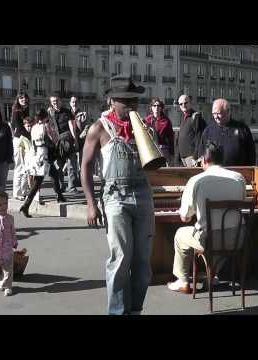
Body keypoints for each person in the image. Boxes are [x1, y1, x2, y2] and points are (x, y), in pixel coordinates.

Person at [81, 74, 155, 315]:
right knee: (121, 259)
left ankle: (135, 310)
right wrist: (91, 204)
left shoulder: (141, 127)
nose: (133, 106)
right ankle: (117, 312)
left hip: (143, 194)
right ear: (112, 101)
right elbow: (86, 166)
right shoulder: (98, 129)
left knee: (143, 263)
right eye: (127, 102)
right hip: (115, 196)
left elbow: (155, 164)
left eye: (135, 102)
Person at [167, 141, 247, 293]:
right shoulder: (239, 178)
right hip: (237, 238)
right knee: (222, 236)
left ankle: (183, 280)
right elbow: (241, 202)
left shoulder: (196, 181)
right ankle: (212, 276)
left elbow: (185, 217)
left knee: (180, 234)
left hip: (209, 240)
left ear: (203, 160)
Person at [19, 109, 66, 218]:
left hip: (36, 154)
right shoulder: (45, 126)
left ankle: (59, 195)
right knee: (37, 182)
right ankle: (26, 205)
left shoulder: (34, 127)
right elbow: (53, 139)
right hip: (43, 155)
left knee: (53, 174)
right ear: (45, 117)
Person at [197, 98, 256, 166]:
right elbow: (202, 154)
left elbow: (251, 154)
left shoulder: (242, 129)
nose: (216, 117)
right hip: (215, 173)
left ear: (228, 112)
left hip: (237, 173)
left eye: (218, 113)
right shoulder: (208, 131)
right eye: (214, 114)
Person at [47, 95, 79, 194]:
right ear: (51, 103)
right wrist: (52, 141)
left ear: (60, 101)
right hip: (57, 142)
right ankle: (61, 186)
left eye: (56, 100)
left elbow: (70, 124)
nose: (55, 102)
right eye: (53, 101)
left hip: (68, 139)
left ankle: (72, 186)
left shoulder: (66, 111)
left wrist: (75, 139)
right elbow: (48, 128)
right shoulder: (49, 113)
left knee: (72, 165)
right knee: (59, 166)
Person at [177, 94, 206, 167]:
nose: (183, 105)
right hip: (183, 157)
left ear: (190, 103)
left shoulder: (196, 117)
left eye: (185, 103)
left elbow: (199, 138)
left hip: (191, 157)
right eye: (181, 104)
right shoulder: (184, 117)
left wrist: (195, 156)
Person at [144, 97, 174, 165]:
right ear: (151, 107)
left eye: (158, 105)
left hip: (163, 149)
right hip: (151, 149)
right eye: (154, 105)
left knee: (163, 170)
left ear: (161, 108)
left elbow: (171, 138)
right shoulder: (147, 120)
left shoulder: (166, 120)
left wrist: (172, 153)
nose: (156, 107)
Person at [12, 116, 34, 201]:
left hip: (27, 152)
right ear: (24, 125)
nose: (29, 128)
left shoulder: (30, 132)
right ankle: (17, 193)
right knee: (19, 170)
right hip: (20, 150)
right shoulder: (21, 134)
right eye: (28, 126)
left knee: (26, 171)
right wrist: (22, 160)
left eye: (31, 126)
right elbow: (20, 148)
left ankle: (24, 191)